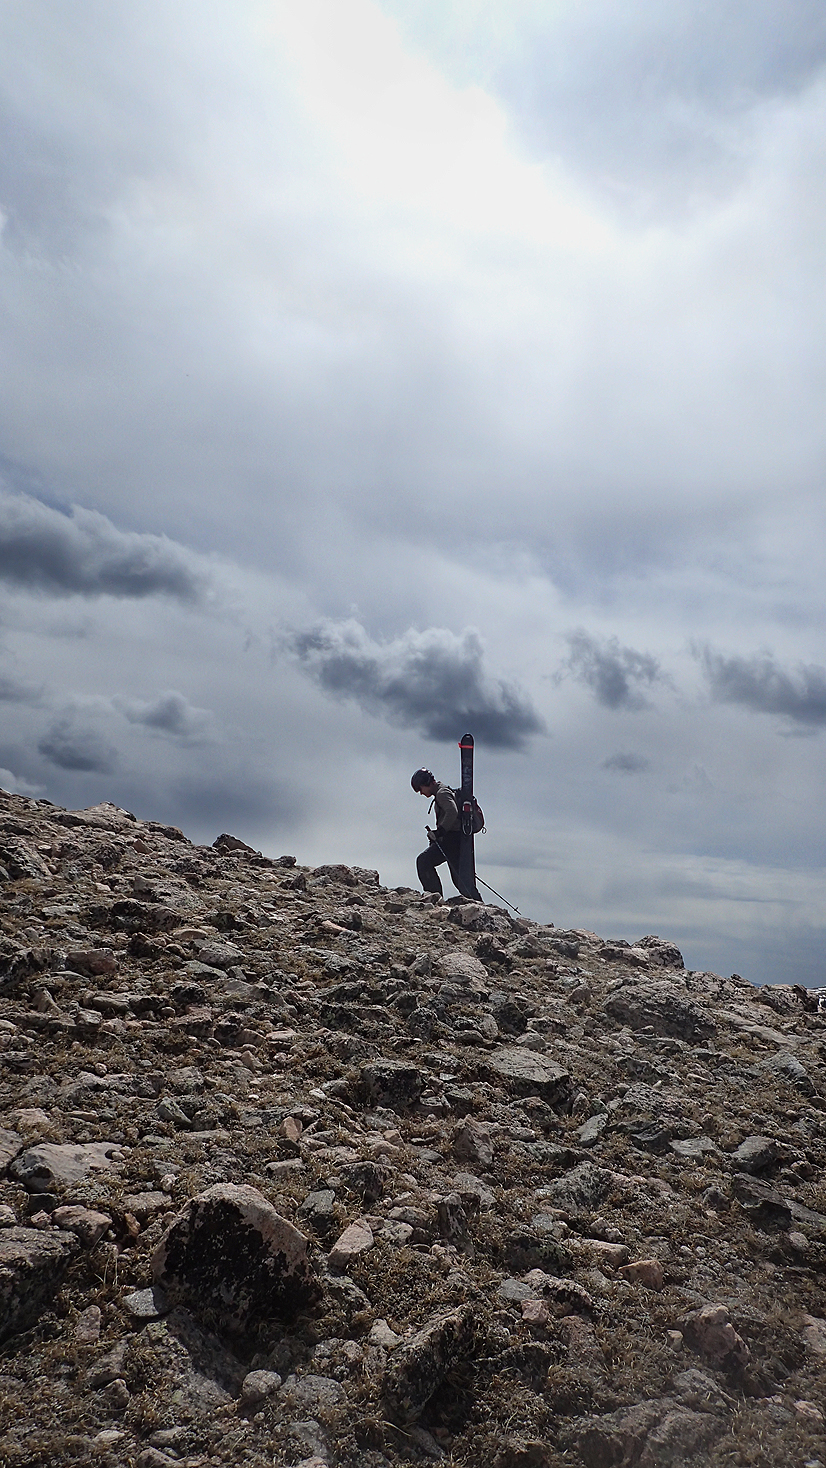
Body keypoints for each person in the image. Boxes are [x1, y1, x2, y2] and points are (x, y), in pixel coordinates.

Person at [410, 766, 465, 898]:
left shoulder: (442, 793)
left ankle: (435, 899)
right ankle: (478, 904)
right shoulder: (442, 791)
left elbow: (452, 811)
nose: (421, 793)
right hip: (456, 841)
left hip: (451, 841)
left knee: (423, 861)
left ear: (426, 783)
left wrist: (440, 832)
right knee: (461, 881)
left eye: (420, 789)